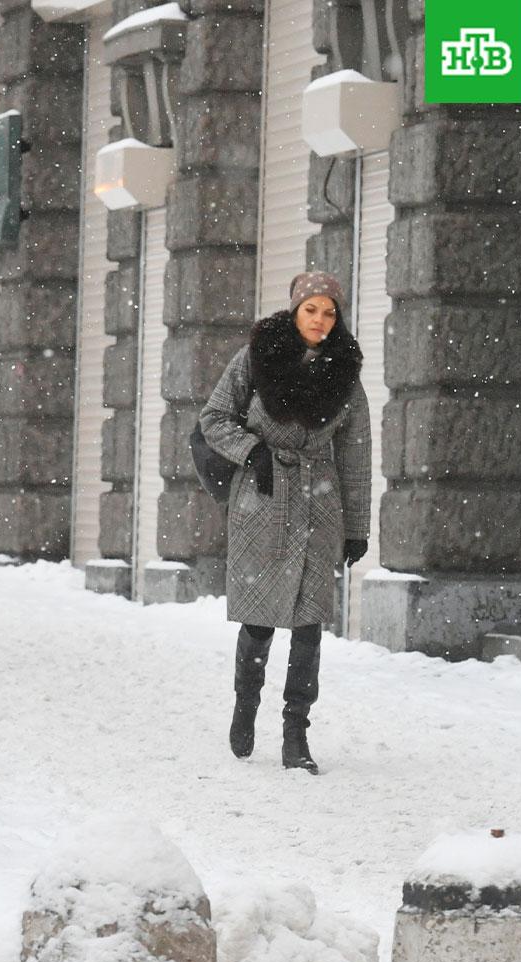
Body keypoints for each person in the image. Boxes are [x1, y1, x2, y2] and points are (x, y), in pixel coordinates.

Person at [197, 272, 371, 775]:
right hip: (263, 498)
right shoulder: (256, 357)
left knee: (309, 623)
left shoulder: (345, 374)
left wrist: (357, 526)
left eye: (329, 311)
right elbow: (215, 417)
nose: (320, 319)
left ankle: (296, 732)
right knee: (259, 615)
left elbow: (356, 456)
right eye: (311, 309)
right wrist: (252, 453)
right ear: (296, 310)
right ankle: (245, 705)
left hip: (320, 504)